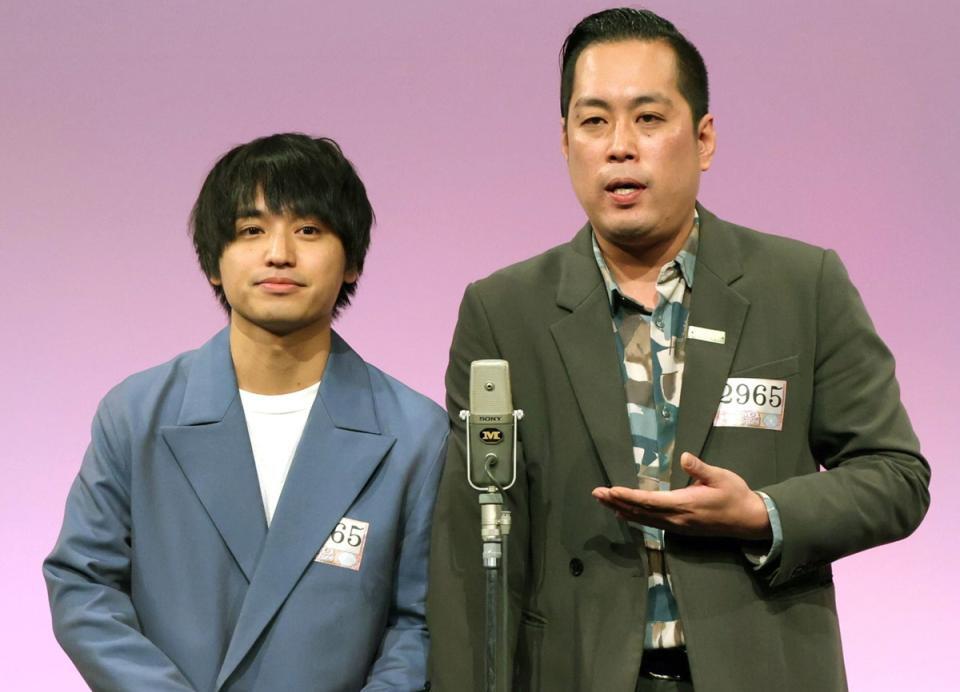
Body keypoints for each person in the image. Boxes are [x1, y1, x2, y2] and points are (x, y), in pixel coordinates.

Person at [427, 8, 929, 692]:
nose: (619, 147)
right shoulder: (503, 311)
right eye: (593, 121)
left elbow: (895, 476)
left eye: (648, 118)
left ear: (704, 138)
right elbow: (471, 546)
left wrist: (762, 515)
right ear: (565, 140)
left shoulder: (802, 284)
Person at [44, 133, 447, 691]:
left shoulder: (416, 434)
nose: (279, 253)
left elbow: (420, 623)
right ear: (214, 262)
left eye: (309, 229)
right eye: (251, 230)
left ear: (352, 262)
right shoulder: (136, 415)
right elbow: (83, 586)